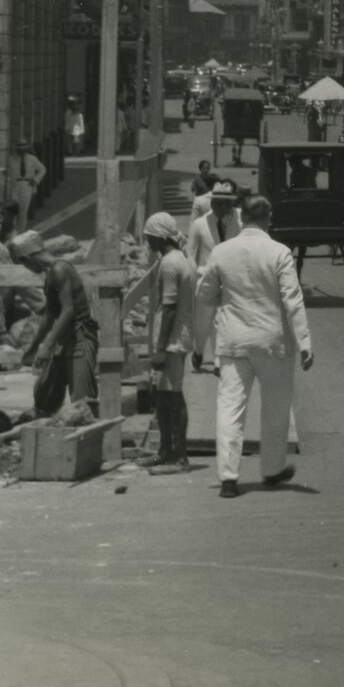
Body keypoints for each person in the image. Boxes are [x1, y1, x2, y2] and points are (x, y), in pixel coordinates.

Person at [194, 192, 314, 497]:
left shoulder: (221, 252)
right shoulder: (279, 252)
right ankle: (272, 470)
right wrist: (305, 342)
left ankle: (228, 478)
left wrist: (227, 299)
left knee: (230, 408)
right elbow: (293, 300)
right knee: (275, 409)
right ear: (267, 218)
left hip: (233, 342)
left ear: (241, 217)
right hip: (272, 342)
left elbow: (204, 294)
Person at [11, 232, 100, 415]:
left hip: (79, 338)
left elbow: (68, 311)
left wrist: (47, 345)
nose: (26, 268)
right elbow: (49, 315)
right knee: (45, 395)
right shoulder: (50, 274)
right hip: (64, 339)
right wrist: (33, 347)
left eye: (24, 263)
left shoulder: (60, 269)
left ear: (27, 258)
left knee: (82, 404)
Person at [142, 213, 195, 471]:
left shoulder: (170, 264)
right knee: (162, 396)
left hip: (172, 341)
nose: (147, 241)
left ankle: (180, 455)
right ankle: (165, 450)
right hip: (172, 339)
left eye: (149, 237)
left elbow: (171, 309)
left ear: (160, 236)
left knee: (173, 396)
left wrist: (161, 349)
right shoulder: (174, 260)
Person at [187, 175, 241, 272]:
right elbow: (190, 256)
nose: (222, 207)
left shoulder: (240, 221)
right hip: (206, 278)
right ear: (211, 202)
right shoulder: (199, 224)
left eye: (226, 203)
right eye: (218, 204)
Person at [7, 138, 47, 233]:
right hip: (15, 185)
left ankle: (20, 231)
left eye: (23, 148)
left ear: (26, 149)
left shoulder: (32, 159)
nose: (21, 150)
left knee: (23, 210)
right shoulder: (11, 160)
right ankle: (12, 231)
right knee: (13, 209)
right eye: (19, 148)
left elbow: (42, 169)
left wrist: (36, 180)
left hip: (27, 184)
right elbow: (8, 173)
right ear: (16, 149)